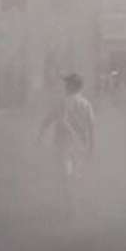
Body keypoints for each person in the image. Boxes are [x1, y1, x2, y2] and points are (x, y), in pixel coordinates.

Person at [38, 73, 96, 218]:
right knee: (76, 176)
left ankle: (71, 208)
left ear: (71, 86)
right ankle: (74, 207)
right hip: (80, 145)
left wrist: (40, 135)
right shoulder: (86, 104)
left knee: (65, 177)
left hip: (63, 145)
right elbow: (91, 127)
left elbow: (48, 120)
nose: (64, 87)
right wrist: (91, 147)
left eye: (66, 84)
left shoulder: (62, 103)